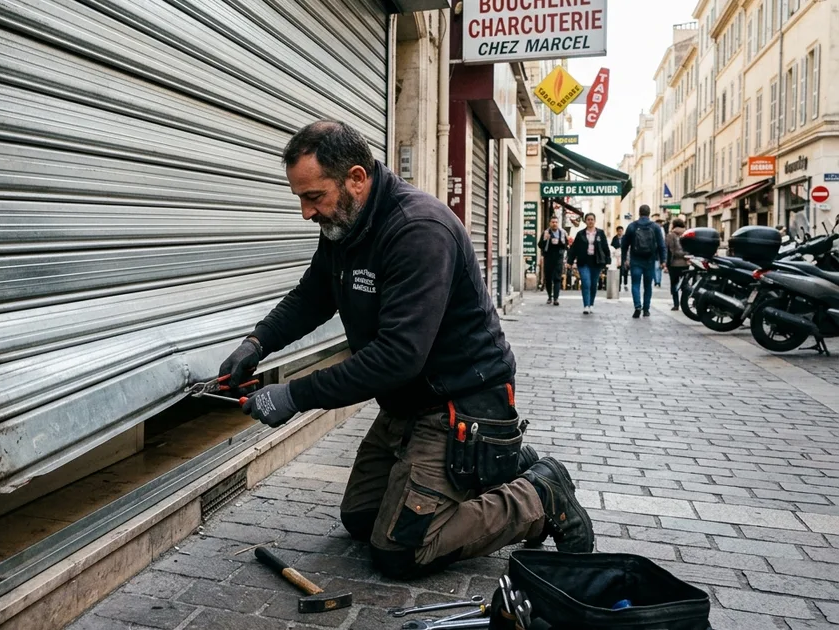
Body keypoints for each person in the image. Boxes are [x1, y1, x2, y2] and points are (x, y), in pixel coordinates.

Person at [217, 120, 593, 580]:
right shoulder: (345, 224)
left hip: (461, 405)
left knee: (400, 550)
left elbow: (396, 356)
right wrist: (256, 343)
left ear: (357, 178)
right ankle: (497, 467)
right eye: (300, 197)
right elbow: (312, 297)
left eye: (313, 197)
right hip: (408, 405)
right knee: (361, 519)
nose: (306, 212)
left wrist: (294, 396)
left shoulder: (419, 230)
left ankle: (538, 496)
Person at [621, 205, 667, 318]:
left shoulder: (632, 226)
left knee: (635, 284)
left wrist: (624, 259)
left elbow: (624, 245)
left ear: (639, 212)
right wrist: (663, 260)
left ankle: (637, 306)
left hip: (636, 259)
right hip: (650, 260)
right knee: (648, 286)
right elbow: (662, 245)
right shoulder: (655, 227)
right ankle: (646, 309)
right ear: (649, 213)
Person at [566, 213, 611, 314]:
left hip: (596, 261)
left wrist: (608, 261)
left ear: (595, 221)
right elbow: (574, 249)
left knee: (593, 284)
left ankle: (591, 304)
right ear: (585, 221)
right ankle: (586, 305)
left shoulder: (600, 233)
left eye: (592, 219)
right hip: (584, 261)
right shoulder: (580, 234)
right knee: (586, 283)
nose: (590, 221)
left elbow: (605, 248)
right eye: (588, 219)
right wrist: (570, 261)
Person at [538, 216, 568, 305]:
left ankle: (556, 298)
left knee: (557, 278)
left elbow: (566, 245)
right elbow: (540, 245)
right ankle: (549, 296)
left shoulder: (562, 233)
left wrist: (561, 243)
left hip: (559, 257)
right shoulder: (546, 232)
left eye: (556, 222)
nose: (554, 224)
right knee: (548, 278)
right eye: (553, 222)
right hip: (548, 257)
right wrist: (545, 239)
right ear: (550, 223)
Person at [665, 219, 689, 311]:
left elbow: (669, 249)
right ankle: (684, 304)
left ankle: (676, 304)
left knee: (674, 284)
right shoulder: (687, 234)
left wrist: (666, 263)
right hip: (685, 263)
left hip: (674, 264)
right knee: (685, 285)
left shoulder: (671, 235)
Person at [611, 225, 628, 290]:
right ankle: (619, 284)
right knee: (619, 270)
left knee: (625, 270)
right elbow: (612, 246)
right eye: (619, 231)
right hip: (617, 257)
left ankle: (625, 283)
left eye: (621, 231)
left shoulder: (625, 238)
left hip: (624, 256)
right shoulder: (615, 238)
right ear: (617, 231)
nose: (620, 232)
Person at [653, 219, 667, 287]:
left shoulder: (662, 229)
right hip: (656, 252)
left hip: (658, 252)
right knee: (656, 268)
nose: (660, 224)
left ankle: (658, 281)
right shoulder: (654, 230)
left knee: (658, 268)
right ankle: (657, 281)